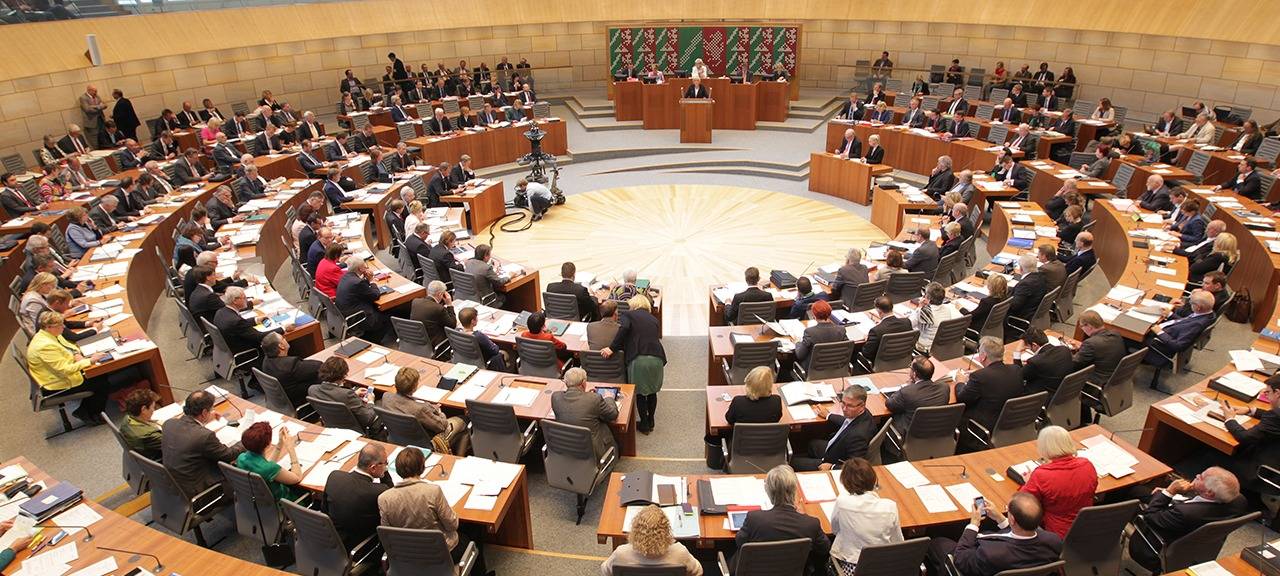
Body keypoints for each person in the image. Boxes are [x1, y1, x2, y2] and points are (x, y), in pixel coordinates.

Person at [379, 448, 491, 576]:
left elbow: (387, 534)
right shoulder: (433, 491)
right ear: (422, 467)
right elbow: (452, 525)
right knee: (474, 529)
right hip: (442, 554)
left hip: (407, 557)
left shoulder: (384, 499)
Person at [1128, 468, 1249, 572]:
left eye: (1201, 477)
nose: (1196, 475)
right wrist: (1188, 490)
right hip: (1194, 545)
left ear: (1209, 492)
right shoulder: (1239, 502)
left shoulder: (1184, 513)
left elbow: (1150, 516)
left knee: (1127, 496)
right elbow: (1199, 504)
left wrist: (1169, 492)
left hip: (1155, 548)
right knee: (1139, 490)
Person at [926, 492, 1063, 576]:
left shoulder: (990, 554)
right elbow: (1020, 534)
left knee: (937, 542)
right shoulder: (1054, 541)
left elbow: (961, 559)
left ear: (1013, 519)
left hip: (969, 558)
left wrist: (974, 523)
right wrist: (1000, 518)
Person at [734, 465, 831, 574]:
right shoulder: (811, 524)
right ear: (794, 491)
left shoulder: (754, 518)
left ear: (769, 491)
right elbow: (825, 548)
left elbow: (739, 542)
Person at [27, 311, 114, 423]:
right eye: (60, 325)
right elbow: (64, 370)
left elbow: (70, 346)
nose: (63, 327)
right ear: (49, 327)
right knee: (100, 382)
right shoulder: (44, 346)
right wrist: (90, 361)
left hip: (60, 374)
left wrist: (76, 354)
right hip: (56, 383)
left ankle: (85, 410)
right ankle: (91, 414)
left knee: (99, 374)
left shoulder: (50, 334)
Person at [600, 296, 666, 433]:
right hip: (657, 358)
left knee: (640, 393)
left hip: (639, 357)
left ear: (633, 305)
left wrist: (612, 348)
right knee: (652, 391)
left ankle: (644, 424)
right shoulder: (653, 319)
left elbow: (624, 330)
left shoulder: (628, 315)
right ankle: (651, 420)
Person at [161, 390, 244, 496]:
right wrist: (245, 440)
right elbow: (228, 455)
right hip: (199, 491)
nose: (213, 411)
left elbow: (190, 432)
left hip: (174, 484)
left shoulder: (169, 424)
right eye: (211, 409)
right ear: (204, 412)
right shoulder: (204, 436)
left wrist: (204, 421)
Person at [1019, 426, 1097, 538]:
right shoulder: (1087, 465)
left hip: (1057, 535)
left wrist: (1028, 482)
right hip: (1088, 528)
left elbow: (1022, 502)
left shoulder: (1041, 474)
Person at [829, 457, 903, 572]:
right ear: (874, 480)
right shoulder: (890, 506)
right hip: (884, 566)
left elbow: (835, 529)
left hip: (852, 565)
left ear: (845, 483)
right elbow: (897, 541)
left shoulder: (842, 502)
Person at [956, 337, 1025, 453]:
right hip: (1008, 423)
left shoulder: (980, 377)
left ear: (983, 356)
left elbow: (962, 398)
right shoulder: (1016, 370)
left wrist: (960, 381)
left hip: (981, 428)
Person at [383, 367, 468, 454]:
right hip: (425, 444)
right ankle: (456, 457)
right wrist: (439, 412)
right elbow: (442, 426)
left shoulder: (386, 397)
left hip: (397, 439)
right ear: (414, 387)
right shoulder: (419, 409)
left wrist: (428, 408)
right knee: (465, 420)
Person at [1142, 290, 1216, 389]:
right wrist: (1170, 314)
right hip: (1166, 330)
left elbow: (1178, 346)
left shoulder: (1197, 324)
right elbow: (1184, 323)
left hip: (1159, 345)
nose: (1188, 304)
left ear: (1198, 307)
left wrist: (1159, 332)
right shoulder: (1208, 314)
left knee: (1128, 333)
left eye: (1191, 303)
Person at [600, 505, 702, 576]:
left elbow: (605, 571)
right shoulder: (680, 552)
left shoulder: (621, 553)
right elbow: (698, 571)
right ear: (666, 530)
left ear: (635, 529)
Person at [324, 444, 391, 548]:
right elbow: (391, 497)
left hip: (331, 538)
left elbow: (324, 509)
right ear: (373, 468)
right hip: (360, 546)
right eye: (385, 463)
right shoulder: (379, 491)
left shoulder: (335, 476)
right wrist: (384, 473)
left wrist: (382, 465)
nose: (386, 466)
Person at [794, 387, 872, 471]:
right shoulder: (863, 414)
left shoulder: (858, 436)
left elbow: (855, 467)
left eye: (850, 406)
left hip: (835, 462)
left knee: (793, 463)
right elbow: (847, 422)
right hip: (836, 450)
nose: (844, 409)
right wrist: (829, 415)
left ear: (862, 406)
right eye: (843, 403)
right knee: (812, 444)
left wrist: (832, 467)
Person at [550, 367, 619, 460]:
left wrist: (586, 395)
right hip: (593, 451)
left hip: (566, 448)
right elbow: (613, 414)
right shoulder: (594, 399)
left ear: (566, 382)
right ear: (583, 383)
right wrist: (609, 398)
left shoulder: (555, 397)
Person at [310, 357, 387, 439]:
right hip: (355, 431)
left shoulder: (312, 390)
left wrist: (354, 393)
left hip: (332, 425)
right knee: (382, 402)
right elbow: (369, 419)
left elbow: (333, 396)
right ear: (342, 376)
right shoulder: (347, 395)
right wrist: (371, 401)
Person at [234, 422, 302, 501]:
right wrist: (291, 448)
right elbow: (297, 477)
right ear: (268, 444)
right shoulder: (270, 468)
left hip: (256, 501)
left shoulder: (241, 458)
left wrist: (280, 443)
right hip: (284, 503)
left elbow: (266, 464)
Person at [885, 357, 948, 442]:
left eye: (910, 367)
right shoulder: (944, 388)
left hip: (909, 437)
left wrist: (906, 387)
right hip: (936, 434)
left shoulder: (907, 392)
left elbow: (889, 404)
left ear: (914, 374)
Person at [337, 256, 393, 345]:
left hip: (345, 313)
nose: (367, 268)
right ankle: (372, 340)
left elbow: (362, 289)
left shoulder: (346, 276)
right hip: (359, 317)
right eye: (365, 266)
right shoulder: (358, 282)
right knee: (389, 316)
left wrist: (366, 280)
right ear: (360, 269)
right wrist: (372, 282)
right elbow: (375, 295)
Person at [260, 332, 321, 409]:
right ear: (281, 346)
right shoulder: (290, 365)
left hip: (282, 400)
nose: (286, 339)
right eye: (283, 338)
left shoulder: (266, 360)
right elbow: (318, 366)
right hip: (300, 400)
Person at [213, 287, 270, 360]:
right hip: (248, 352)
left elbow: (240, 325)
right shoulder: (236, 322)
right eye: (244, 298)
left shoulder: (220, 312)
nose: (246, 300)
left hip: (229, 348)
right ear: (235, 301)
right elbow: (259, 336)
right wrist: (282, 328)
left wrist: (256, 320)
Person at [1015, 329, 1072, 397]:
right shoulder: (1065, 350)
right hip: (1062, 392)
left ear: (1034, 345)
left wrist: (1017, 352)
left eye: (1027, 347)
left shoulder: (1035, 362)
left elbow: (1019, 376)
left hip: (1040, 397)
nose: (1027, 349)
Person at [859, 296, 911, 366]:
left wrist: (868, 339)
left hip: (882, 365)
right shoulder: (906, 322)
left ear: (879, 311)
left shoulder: (876, 331)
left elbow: (866, 353)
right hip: (902, 360)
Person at [1005, 253, 1047, 339]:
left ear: (1021, 268)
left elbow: (1014, 306)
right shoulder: (1041, 277)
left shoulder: (1025, 284)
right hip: (1033, 311)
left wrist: (1002, 298)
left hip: (1020, 317)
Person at [912, 282, 961, 355]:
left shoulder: (924, 312)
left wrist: (919, 307)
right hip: (938, 347)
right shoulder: (947, 309)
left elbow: (909, 325)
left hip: (923, 348)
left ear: (927, 298)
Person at [119, 389, 164, 461]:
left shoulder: (127, 419)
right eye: (153, 407)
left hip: (141, 456)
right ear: (143, 409)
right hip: (160, 459)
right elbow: (177, 445)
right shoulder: (150, 435)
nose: (154, 410)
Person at [463, 243, 509, 308]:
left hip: (471, 297)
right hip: (485, 299)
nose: (490, 256)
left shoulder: (468, 262)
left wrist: (493, 273)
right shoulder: (486, 268)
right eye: (490, 254)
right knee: (505, 296)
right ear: (485, 256)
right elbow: (499, 282)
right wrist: (509, 276)